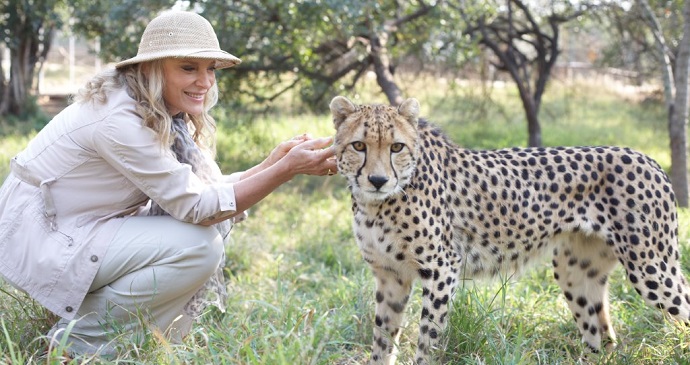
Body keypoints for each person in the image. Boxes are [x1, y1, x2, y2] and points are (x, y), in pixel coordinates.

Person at [0, 10, 337, 358]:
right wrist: (284, 171)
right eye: (188, 68)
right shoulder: (120, 121)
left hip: (74, 225)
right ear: (152, 68)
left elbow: (203, 191)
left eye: (210, 69)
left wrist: (274, 163)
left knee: (194, 240)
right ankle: (76, 344)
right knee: (197, 245)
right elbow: (199, 209)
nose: (204, 82)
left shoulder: (152, 108)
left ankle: (115, 332)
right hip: (40, 235)